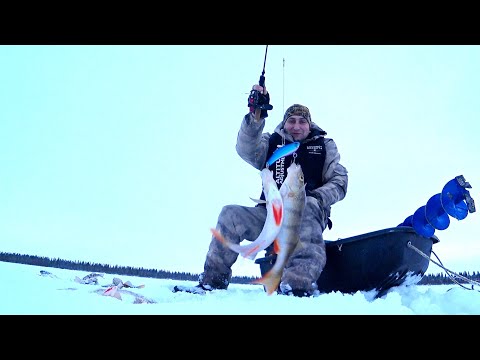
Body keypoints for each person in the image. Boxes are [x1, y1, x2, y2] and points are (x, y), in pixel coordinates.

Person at [185, 84, 348, 297]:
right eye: (291, 121)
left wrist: (317, 197)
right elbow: (246, 149)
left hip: (304, 217)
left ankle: (296, 286)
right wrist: (255, 117)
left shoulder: (325, 146)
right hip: (269, 215)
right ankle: (212, 282)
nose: (296, 126)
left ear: (310, 125)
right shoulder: (271, 142)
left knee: (307, 205)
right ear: (285, 123)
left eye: (302, 121)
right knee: (230, 214)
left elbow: (340, 180)